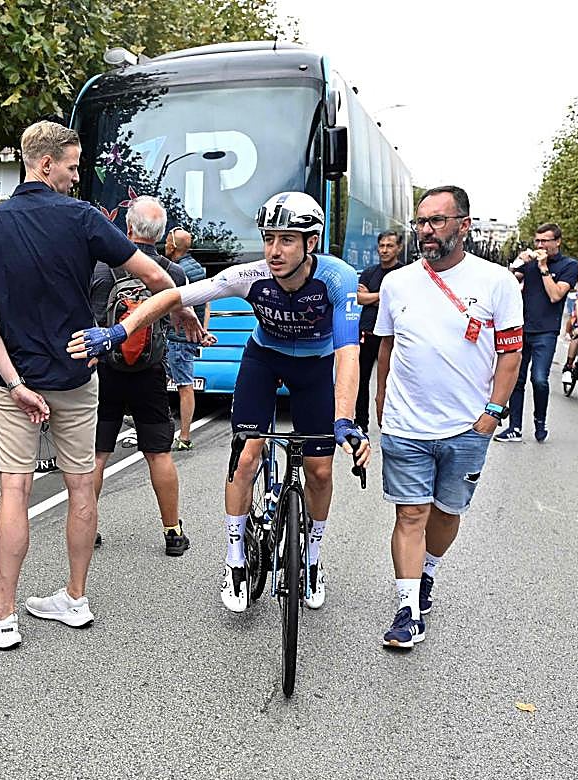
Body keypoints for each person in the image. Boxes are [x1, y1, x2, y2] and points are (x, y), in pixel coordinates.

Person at [0, 120, 202, 650]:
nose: (76, 174)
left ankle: (1, 616)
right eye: (71, 165)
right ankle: (74, 598)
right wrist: (178, 314)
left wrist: (15, 382)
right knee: (81, 485)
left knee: (14, 489)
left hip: (16, 381)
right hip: (78, 372)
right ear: (45, 164)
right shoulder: (84, 219)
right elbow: (157, 277)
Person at [70, 191, 370, 614]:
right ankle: (235, 560)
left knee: (319, 470)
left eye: (286, 240)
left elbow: (348, 355)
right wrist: (119, 332)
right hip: (264, 359)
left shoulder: (337, 280)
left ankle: (313, 560)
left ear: (312, 241)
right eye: (268, 238)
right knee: (246, 458)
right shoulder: (251, 274)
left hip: (316, 368)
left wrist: (345, 421)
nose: (274, 251)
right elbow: (173, 296)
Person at [374, 186, 522, 647]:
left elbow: (510, 354)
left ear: (464, 224)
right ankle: (407, 608)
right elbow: (386, 346)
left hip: (466, 426)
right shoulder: (397, 283)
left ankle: (428, 571)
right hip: (406, 423)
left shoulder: (497, 282)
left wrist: (492, 413)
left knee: (446, 512)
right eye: (420, 222)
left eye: (436, 221)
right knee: (411, 512)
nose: (425, 231)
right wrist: (378, 404)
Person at [89, 196, 193, 557]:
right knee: (158, 453)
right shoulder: (173, 273)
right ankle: (173, 532)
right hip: (150, 372)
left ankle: (89, 528)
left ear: (128, 227)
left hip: (105, 369)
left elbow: (91, 315)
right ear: (161, 233)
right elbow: (176, 319)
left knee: (98, 453)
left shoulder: (101, 267)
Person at [495, 223, 576, 442]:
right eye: (537, 241)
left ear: (557, 241)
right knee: (516, 379)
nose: (540, 245)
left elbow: (556, 295)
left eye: (545, 241)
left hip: (546, 331)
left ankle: (540, 422)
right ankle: (515, 428)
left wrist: (543, 267)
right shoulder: (529, 265)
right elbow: (507, 284)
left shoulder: (569, 265)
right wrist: (518, 263)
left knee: (539, 379)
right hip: (522, 327)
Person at [163, 225, 209, 449]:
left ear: (173, 246)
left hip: (178, 338)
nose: (165, 245)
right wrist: (204, 331)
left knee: (184, 386)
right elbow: (207, 302)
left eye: (167, 242)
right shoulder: (198, 268)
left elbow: (176, 305)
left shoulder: (178, 272)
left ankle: (184, 436)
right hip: (188, 338)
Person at [355, 230, 403, 431]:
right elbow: (358, 298)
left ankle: (392, 421)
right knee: (361, 378)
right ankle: (361, 423)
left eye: (389, 246)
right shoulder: (369, 272)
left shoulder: (403, 274)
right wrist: (382, 297)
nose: (384, 250)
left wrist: (372, 297)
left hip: (391, 337)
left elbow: (399, 303)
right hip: (367, 333)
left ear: (399, 248)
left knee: (393, 380)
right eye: (381, 246)